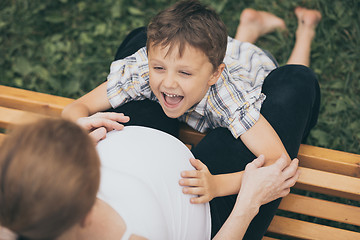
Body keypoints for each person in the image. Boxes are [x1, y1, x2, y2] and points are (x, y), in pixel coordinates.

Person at [61, 0, 321, 238]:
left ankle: (294, 34)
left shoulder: (230, 96)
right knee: (293, 82)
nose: (168, 81)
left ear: (215, 75)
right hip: (209, 87)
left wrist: (217, 185)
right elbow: (79, 106)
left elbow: (278, 160)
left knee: (282, 78)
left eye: (183, 73)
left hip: (248, 75)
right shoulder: (142, 72)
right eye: (158, 67)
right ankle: (253, 30)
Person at [0, 118, 300, 239]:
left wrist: (64, 139)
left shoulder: (15, 212)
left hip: (153, 146)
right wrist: (249, 202)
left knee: (143, 40)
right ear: (86, 214)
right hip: (212, 211)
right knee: (296, 83)